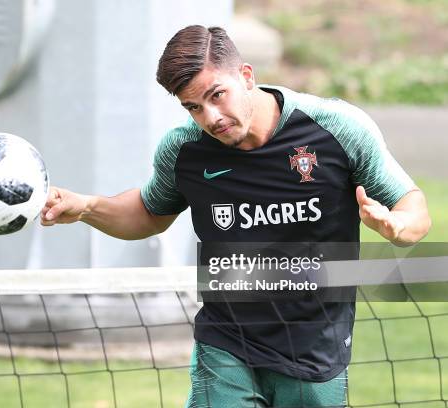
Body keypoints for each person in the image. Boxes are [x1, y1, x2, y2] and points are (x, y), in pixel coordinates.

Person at [41, 25, 431, 407]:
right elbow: (148, 212)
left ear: (246, 76)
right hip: (225, 342)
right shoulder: (185, 150)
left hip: (316, 345)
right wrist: (86, 207)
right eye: (193, 107)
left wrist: (398, 227)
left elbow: (412, 206)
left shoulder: (337, 129)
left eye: (216, 96)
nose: (210, 117)